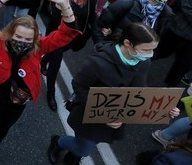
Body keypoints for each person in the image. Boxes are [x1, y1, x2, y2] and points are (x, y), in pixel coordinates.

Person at [48, 23, 180, 164]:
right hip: (89, 116)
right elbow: (79, 86)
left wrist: (165, 108)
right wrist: (105, 113)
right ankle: (59, 142)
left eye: (152, 50)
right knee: (84, 148)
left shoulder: (143, 63)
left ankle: (74, 154)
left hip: (115, 118)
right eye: (146, 50)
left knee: (89, 143)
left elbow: (140, 91)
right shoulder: (98, 63)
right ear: (128, 43)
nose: (149, 54)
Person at [0, 0, 79, 165]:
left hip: (16, 105)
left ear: (35, 39)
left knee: (1, 132)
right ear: (10, 33)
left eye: (27, 39)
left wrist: (64, 5)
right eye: (18, 37)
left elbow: (66, 34)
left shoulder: (39, 47)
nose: (22, 42)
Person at [95, 0, 174, 43]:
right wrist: (102, 47)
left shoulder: (167, 13)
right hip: (116, 49)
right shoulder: (125, 4)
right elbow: (99, 26)